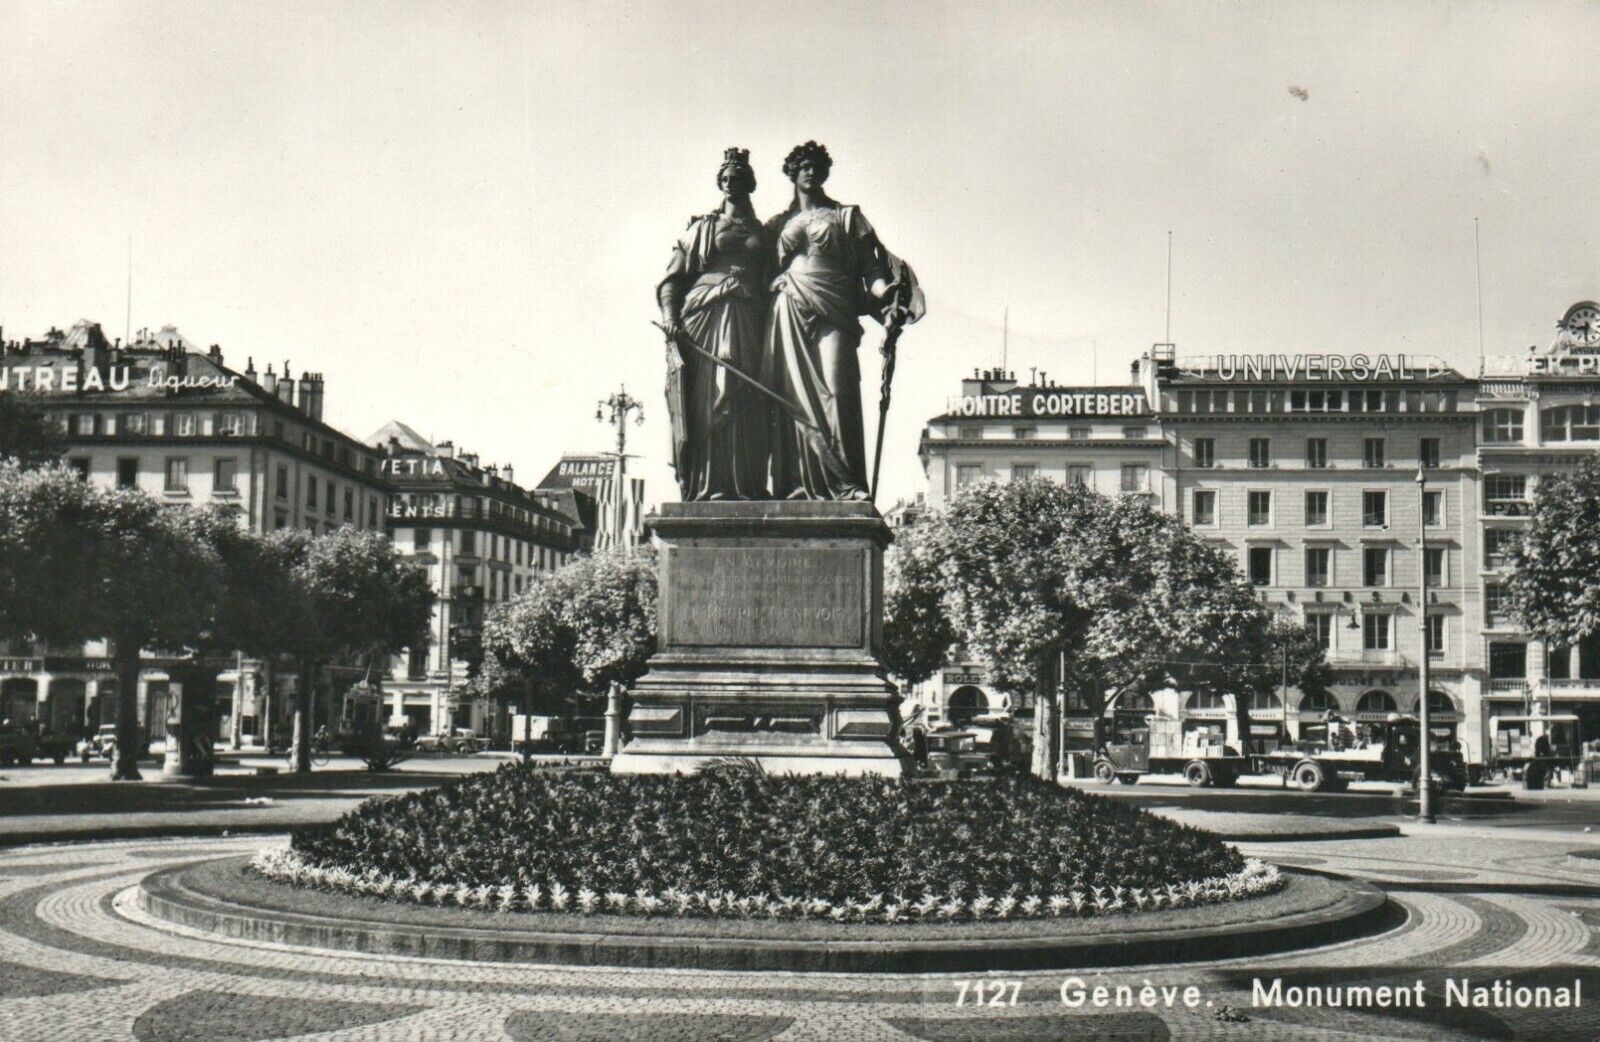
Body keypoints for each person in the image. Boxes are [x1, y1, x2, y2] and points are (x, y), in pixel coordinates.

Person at [765, 141, 924, 500]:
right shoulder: (776, 224)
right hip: (788, 309)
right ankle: (795, 486)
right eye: (804, 165)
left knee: (838, 390)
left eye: (817, 165)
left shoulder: (846, 216)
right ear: (793, 172)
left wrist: (886, 296)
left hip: (834, 307)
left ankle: (845, 484)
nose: (810, 171)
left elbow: (873, 267)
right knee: (789, 395)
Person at [657, 147, 774, 500]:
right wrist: (669, 317)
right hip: (704, 316)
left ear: (749, 183)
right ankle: (708, 486)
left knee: (746, 396)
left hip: (749, 317)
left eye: (736, 178)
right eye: (724, 178)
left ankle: (747, 484)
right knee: (708, 398)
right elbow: (673, 279)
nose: (729, 184)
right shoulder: (702, 227)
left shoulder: (765, 232)